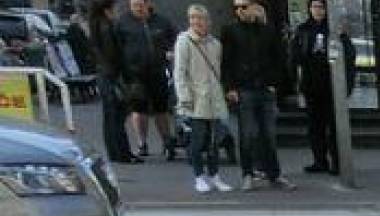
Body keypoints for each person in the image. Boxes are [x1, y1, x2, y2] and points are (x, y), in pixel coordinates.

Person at [221, 0, 292, 190]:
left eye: (244, 7)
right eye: (236, 8)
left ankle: (273, 173)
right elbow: (226, 61)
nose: (240, 11)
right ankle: (248, 174)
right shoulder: (230, 30)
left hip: (265, 87)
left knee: (269, 134)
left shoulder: (268, 30)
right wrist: (230, 88)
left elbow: (279, 58)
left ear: (254, 7)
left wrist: (274, 83)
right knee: (248, 134)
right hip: (244, 88)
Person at [172, 4, 231, 192]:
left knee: (214, 141)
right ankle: (199, 177)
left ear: (208, 21)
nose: (196, 21)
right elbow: (179, 72)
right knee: (197, 141)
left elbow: (219, 71)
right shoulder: (184, 41)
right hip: (195, 99)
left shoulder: (215, 44)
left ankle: (214, 175)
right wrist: (184, 97)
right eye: (192, 18)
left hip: (214, 98)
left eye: (200, 18)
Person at [290, 0, 352, 174]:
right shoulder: (303, 30)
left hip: (331, 83)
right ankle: (319, 160)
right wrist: (295, 79)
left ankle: (337, 161)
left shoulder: (334, 29)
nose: (318, 10)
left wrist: (347, 83)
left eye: (321, 7)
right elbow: (295, 55)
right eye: (314, 7)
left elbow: (348, 54)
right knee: (315, 125)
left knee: (333, 125)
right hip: (311, 83)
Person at [112, 0, 176, 159]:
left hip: (158, 70)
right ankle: (142, 143)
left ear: (148, 4)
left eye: (140, 5)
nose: (137, 8)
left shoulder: (161, 21)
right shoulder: (123, 23)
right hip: (134, 73)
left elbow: (175, 39)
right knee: (139, 109)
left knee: (161, 108)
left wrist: (171, 51)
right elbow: (116, 46)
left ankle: (167, 142)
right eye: (134, 5)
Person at [84, 0, 136, 162]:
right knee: (117, 116)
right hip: (112, 74)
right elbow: (114, 53)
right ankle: (123, 153)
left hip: (104, 73)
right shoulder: (107, 27)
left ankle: (115, 153)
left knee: (110, 116)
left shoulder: (96, 25)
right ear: (108, 9)